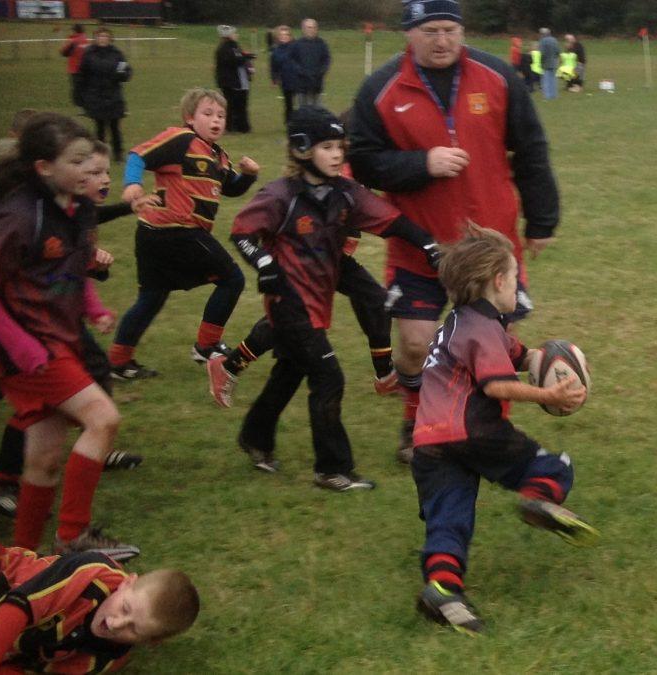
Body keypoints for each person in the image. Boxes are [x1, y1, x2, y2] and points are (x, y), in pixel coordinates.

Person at [349, 0, 560, 465]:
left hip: (490, 248)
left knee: (490, 346)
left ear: (462, 30)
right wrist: (420, 163)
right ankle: (415, 415)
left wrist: (542, 219)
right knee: (415, 345)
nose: (441, 40)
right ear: (409, 33)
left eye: (449, 29)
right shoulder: (380, 91)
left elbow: (531, 148)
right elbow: (360, 161)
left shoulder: (498, 78)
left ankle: (488, 432)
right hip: (419, 245)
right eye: (430, 31)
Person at [223, 106, 439, 487]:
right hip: (289, 303)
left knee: (289, 372)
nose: (338, 154)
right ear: (302, 149)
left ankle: (255, 438)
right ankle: (332, 468)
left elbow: (391, 221)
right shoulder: (280, 195)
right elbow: (241, 232)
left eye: (340, 146)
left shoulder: (347, 193)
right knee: (329, 377)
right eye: (327, 146)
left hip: (317, 301)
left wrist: (428, 243)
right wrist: (265, 264)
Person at [0, 113, 138, 558]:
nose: (91, 171)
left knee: (43, 457)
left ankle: (23, 558)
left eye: (94, 164)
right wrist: (18, 343)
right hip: (24, 347)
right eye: (78, 162)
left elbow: (73, 270)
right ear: (44, 168)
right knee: (103, 418)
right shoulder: (19, 217)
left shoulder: (75, 208)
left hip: (54, 340)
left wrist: (93, 309)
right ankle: (72, 536)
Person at [410, 225, 596, 635]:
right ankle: (538, 499)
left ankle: (442, 591)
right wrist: (548, 394)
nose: (518, 286)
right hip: (474, 430)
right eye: (515, 278)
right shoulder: (483, 329)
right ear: (498, 281)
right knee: (553, 466)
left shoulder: (457, 325)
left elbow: (520, 353)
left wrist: (545, 357)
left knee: (449, 520)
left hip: (428, 441)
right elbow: (494, 385)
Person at [109, 88, 259, 380]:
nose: (216, 120)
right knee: (232, 278)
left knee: (151, 298)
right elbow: (138, 154)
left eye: (221, 115)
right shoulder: (181, 139)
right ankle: (206, 347)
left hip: (157, 234)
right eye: (208, 113)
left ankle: (117, 362)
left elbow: (231, 188)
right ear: (190, 117)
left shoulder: (219, 156)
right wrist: (131, 184)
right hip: (176, 231)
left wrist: (249, 175)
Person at [0, 521, 198, 674]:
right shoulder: (92, 573)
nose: (115, 624)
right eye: (124, 609)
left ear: (151, 641)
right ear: (127, 582)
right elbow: (14, 608)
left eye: (133, 630)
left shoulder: (106, 659)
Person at [78, 28, 131, 162]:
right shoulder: (89, 54)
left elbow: (125, 69)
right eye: (100, 36)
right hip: (96, 96)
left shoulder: (117, 54)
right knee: (99, 127)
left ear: (110, 38)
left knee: (115, 127)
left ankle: (118, 154)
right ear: (96, 38)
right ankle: (99, 154)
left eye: (105, 36)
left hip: (113, 96)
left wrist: (123, 74)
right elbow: (82, 75)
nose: (102, 38)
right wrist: (82, 95)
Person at [214, 25, 255, 134]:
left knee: (240, 104)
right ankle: (229, 127)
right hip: (229, 82)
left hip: (239, 81)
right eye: (234, 33)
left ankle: (242, 127)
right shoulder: (224, 48)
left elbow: (239, 56)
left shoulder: (234, 46)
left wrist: (246, 57)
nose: (236, 35)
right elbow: (233, 61)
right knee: (230, 105)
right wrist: (245, 58)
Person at [290, 18, 330, 107]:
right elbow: (292, 60)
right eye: (308, 27)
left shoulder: (322, 44)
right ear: (303, 29)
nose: (311, 30)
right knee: (303, 111)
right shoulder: (297, 44)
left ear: (316, 29)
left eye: (313, 27)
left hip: (317, 84)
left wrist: (321, 72)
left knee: (317, 110)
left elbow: (327, 59)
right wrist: (301, 72)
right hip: (302, 84)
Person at [270, 24, 300, 123]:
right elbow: (274, 66)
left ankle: (303, 121)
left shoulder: (296, 47)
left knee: (301, 102)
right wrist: (274, 79)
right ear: (278, 36)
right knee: (288, 103)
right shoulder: (276, 50)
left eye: (286, 34)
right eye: (282, 35)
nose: (284, 37)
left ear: (290, 36)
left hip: (298, 78)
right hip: (285, 80)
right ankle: (289, 122)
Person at [59, 23, 88, 107]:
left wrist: (65, 44)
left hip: (74, 68)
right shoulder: (84, 38)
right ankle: (83, 101)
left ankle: (78, 103)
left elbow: (64, 52)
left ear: (75, 30)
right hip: (85, 67)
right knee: (83, 86)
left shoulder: (73, 41)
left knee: (76, 87)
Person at [538, 27, 560, 100]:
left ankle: (547, 96)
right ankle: (554, 95)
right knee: (553, 79)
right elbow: (558, 51)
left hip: (546, 63)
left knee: (546, 80)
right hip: (554, 62)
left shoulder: (543, 41)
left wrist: (540, 61)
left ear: (543, 34)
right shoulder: (554, 40)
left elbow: (542, 53)